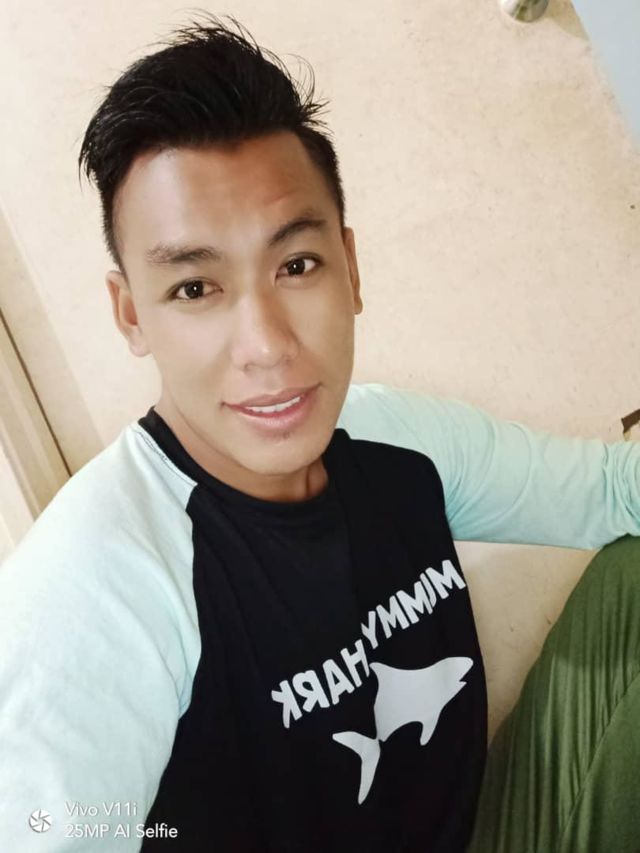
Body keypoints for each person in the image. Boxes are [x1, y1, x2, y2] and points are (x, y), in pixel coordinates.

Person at [1, 13, 639, 852]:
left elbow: (612, 490)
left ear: (350, 266)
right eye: (195, 288)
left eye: (295, 266)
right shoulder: (98, 584)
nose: (267, 346)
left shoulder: (394, 438)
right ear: (132, 315)